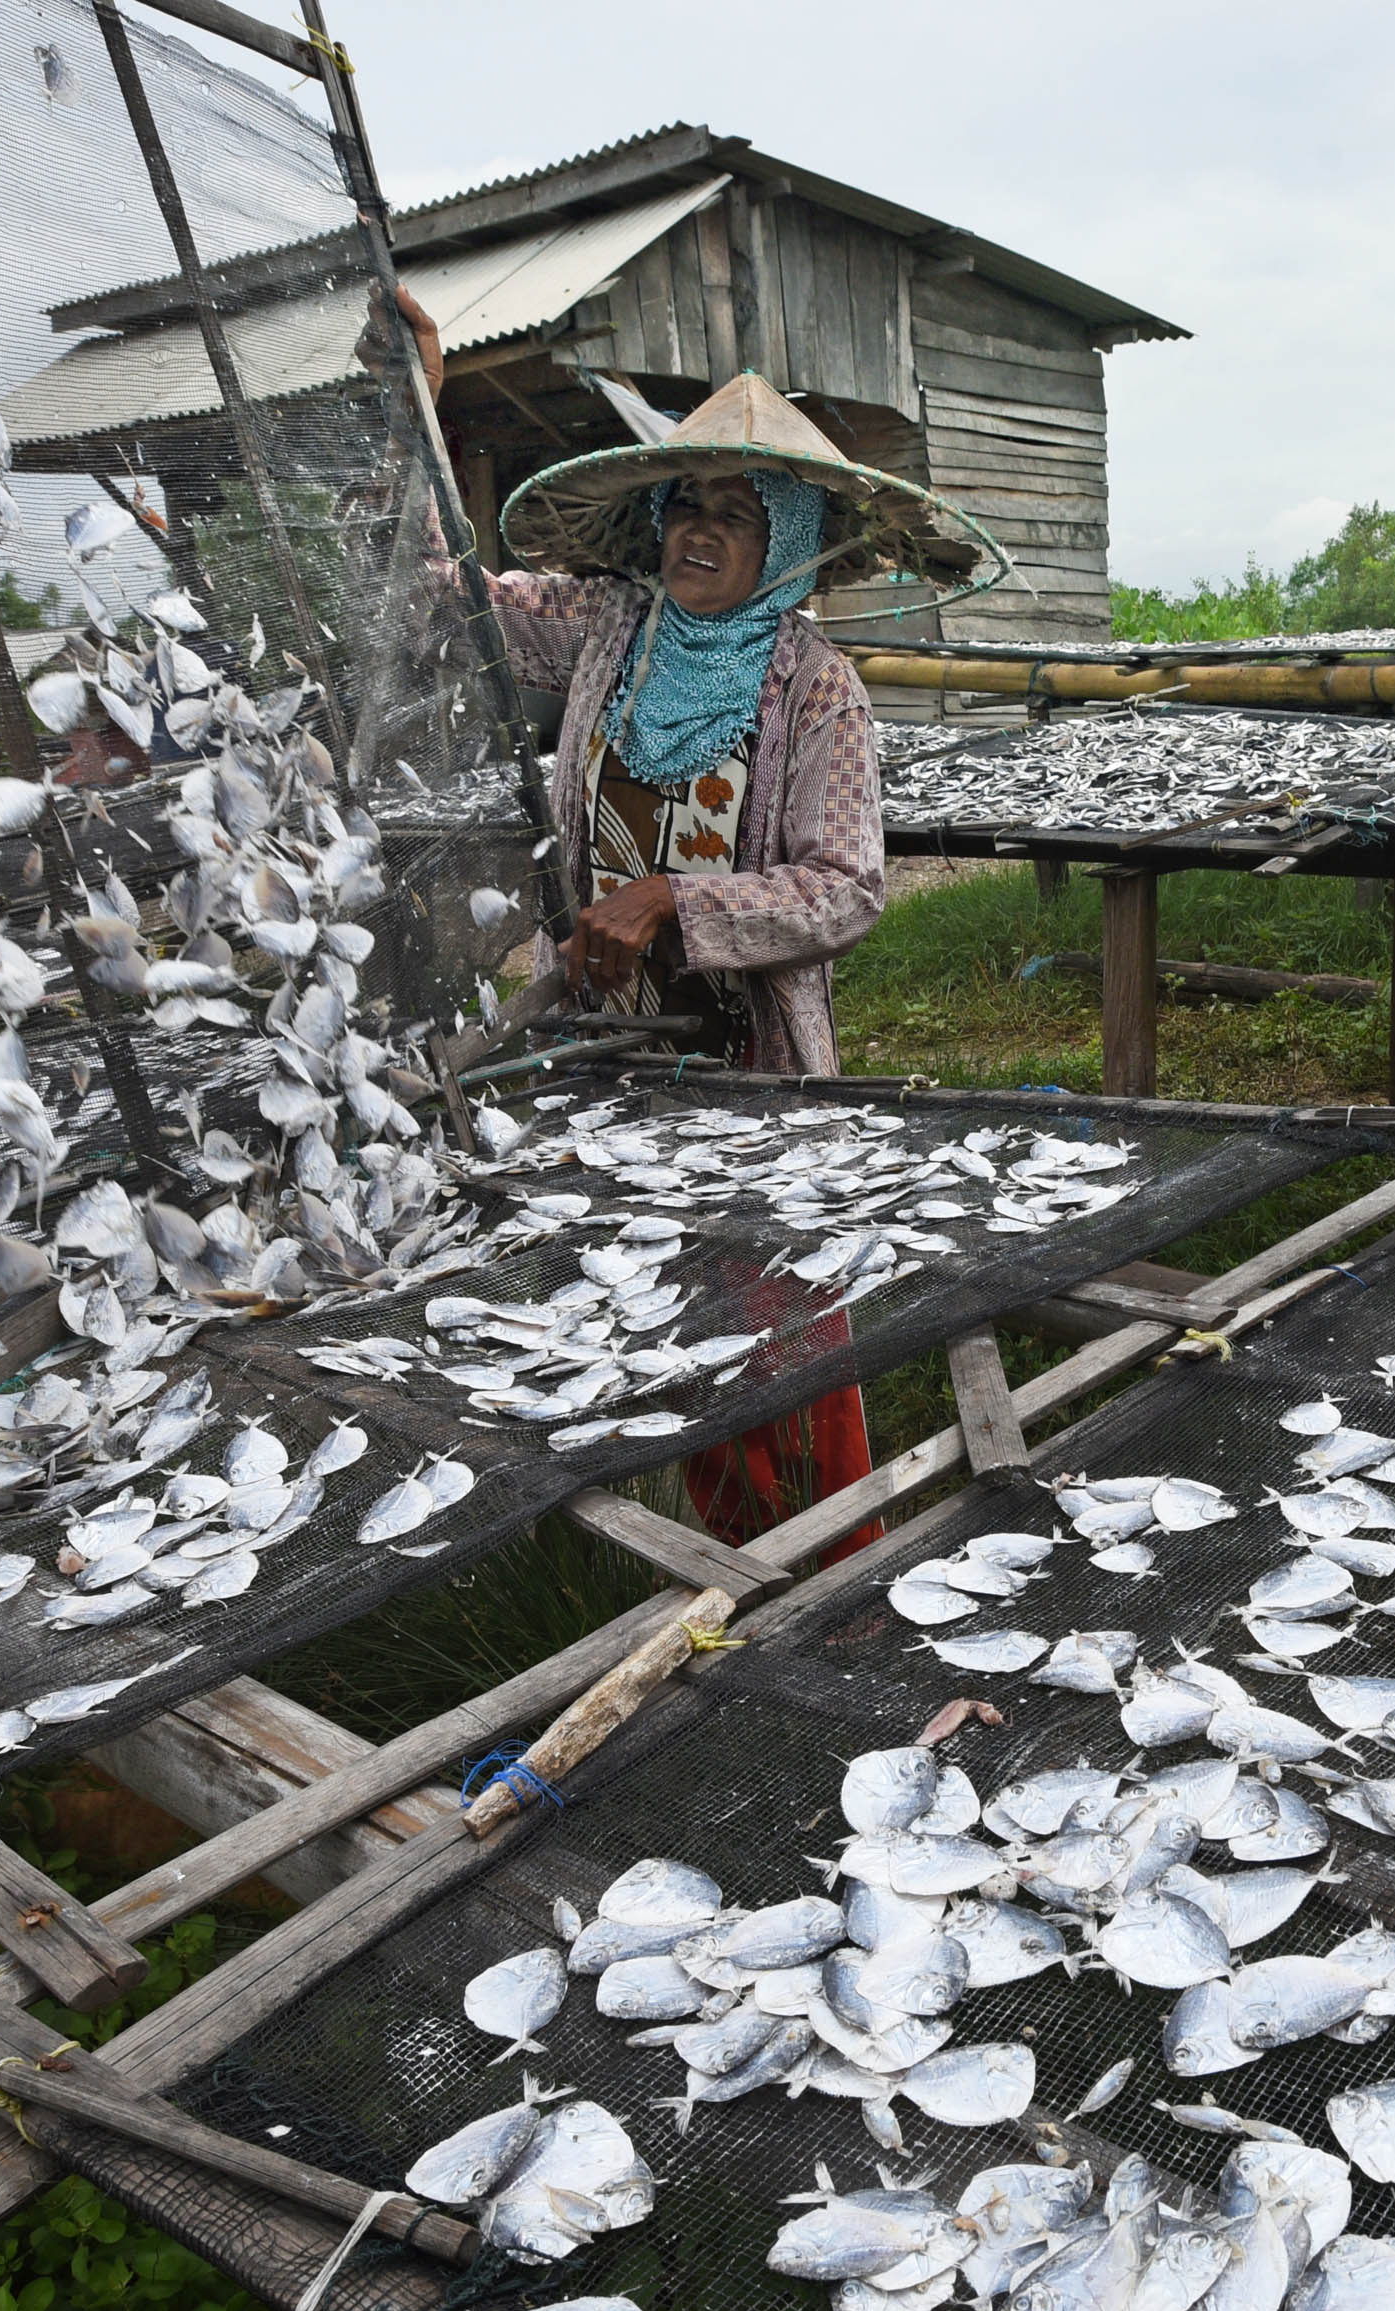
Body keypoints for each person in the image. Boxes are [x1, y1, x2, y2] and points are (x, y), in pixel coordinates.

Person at [397, 290, 1001, 1541]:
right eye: (687, 505)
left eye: (737, 511)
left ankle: (835, 1568)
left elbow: (845, 885)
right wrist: (416, 404)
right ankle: (722, 1560)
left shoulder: (815, 687)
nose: (700, 530)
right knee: (662, 1311)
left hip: (747, 1057)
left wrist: (675, 897)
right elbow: (441, 596)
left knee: (781, 1319)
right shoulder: (605, 629)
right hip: (602, 1048)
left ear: (786, 541)